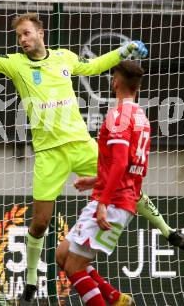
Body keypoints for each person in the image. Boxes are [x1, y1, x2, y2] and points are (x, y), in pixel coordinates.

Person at [0, 12, 184, 305]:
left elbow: (91, 67)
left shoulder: (63, 57)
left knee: (126, 182)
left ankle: (168, 231)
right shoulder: (16, 65)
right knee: (39, 223)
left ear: (40, 32)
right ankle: (31, 282)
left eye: (26, 33)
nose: (22, 40)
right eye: (19, 36)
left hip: (79, 143)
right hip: (48, 155)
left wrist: (122, 51)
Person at [56, 60, 150, 305]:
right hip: (122, 197)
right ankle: (114, 297)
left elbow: (119, 164)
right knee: (62, 254)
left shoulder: (118, 115)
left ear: (116, 82)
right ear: (137, 87)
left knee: (74, 265)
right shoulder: (141, 117)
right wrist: (95, 180)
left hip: (113, 201)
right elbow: (130, 167)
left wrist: (102, 203)